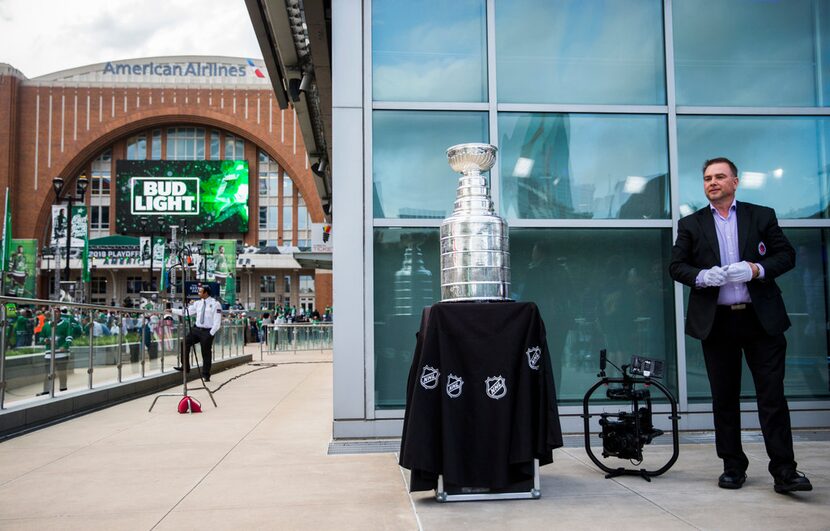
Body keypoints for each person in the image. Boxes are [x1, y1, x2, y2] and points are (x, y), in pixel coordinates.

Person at [669, 157, 812, 494]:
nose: (712, 182)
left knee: (772, 397)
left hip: (760, 320)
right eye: (707, 178)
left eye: (720, 176)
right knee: (724, 398)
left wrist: (756, 270)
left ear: (735, 181)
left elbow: (786, 255)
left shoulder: (761, 215)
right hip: (717, 324)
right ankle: (733, 467)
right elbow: (676, 266)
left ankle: (785, 471)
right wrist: (702, 276)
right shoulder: (690, 223)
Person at [171, 284, 222, 382]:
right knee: (184, 343)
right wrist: (172, 310)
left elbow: (217, 321)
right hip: (196, 329)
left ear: (206, 293)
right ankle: (185, 366)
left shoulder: (215, 304)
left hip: (207, 331)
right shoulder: (198, 303)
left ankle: (206, 374)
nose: (198, 293)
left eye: (200, 291)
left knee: (205, 353)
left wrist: (211, 333)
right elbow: (187, 312)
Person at [37, 307, 83, 395]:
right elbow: (41, 337)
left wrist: (65, 346)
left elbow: (69, 337)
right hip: (49, 354)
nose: (55, 313)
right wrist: (45, 340)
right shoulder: (46, 325)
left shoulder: (66, 324)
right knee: (48, 373)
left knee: (62, 373)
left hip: (62, 354)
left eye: (57, 312)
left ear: (60, 313)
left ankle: (63, 389)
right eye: (53, 312)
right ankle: (46, 390)